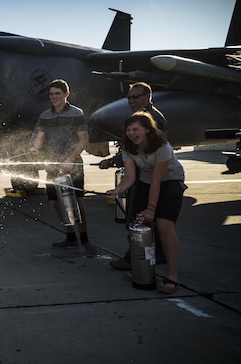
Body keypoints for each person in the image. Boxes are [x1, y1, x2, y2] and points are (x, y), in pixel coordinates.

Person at [106, 112, 185, 294]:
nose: (132, 134)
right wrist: (117, 190)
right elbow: (130, 176)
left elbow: (158, 182)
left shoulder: (162, 146)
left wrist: (151, 209)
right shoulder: (128, 148)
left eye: (136, 129)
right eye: (128, 130)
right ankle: (142, 270)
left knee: (164, 226)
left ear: (148, 130)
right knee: (140, 227)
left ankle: (172, 275)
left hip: (170, 181)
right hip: (146, 182)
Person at [99, 82, 168, 270]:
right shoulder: (143, 116)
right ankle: (157, 254)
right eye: (128, 97)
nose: (130, 101)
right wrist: (114, 160)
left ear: (148, 97)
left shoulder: (152, 118)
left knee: (135, 219)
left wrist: (113, 161)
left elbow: (141, 149)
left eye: (135, 97)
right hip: (139, 174)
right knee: (144, 219)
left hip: (145, 177)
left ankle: (134, 258)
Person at [29, 79, 97, 257]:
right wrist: (35, 148)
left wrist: (69, 160)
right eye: (51, 94)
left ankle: (84, 239)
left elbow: (83, 139)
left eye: (57, 93)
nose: (54, 97)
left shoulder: (76, 113)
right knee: (54, 202)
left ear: (66, 94)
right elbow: (39, 136)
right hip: (52, 163)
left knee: (78, 201)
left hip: (72, 164)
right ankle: (70, 237)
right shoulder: (45, 115)